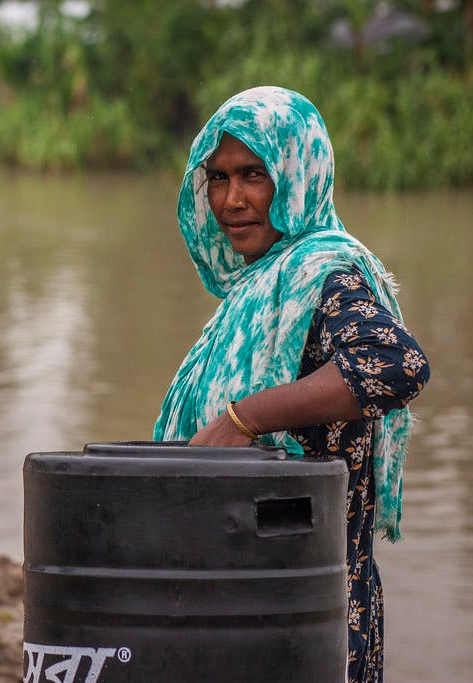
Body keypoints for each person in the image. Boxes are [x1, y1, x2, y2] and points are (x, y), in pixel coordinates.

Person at [153, 86, 430, 682]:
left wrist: (242, 419)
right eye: (218, 178)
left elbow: (394, 362)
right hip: (251, 600)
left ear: (299, 172)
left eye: (254, 174)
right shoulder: (254, 293)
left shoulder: (325, 274)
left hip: (307, 610)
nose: (231, 200)